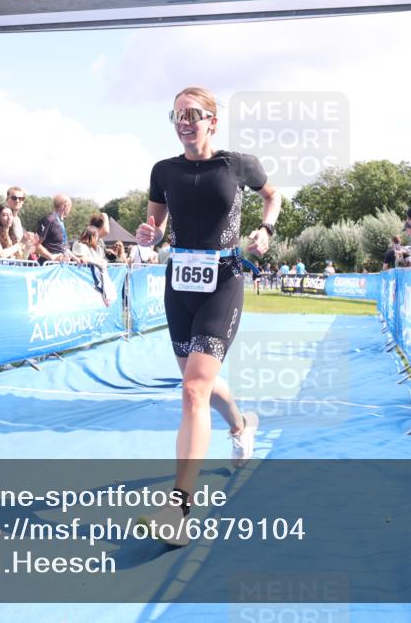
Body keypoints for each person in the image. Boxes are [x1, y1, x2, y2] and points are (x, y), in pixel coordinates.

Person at [136, 86, 281, 545]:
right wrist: (147, 235)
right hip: (179, 284)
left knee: (194, 388)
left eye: (192, 113)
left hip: (223, 279)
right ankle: (241, 425)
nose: (184, 121)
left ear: (212, 121)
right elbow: (154, 229)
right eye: (176, 114)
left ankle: (179, 507)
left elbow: (272, 197)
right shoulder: (163, 171)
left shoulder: (238, 164)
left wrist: (266, 229)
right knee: (199, 383)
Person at [35, 194, 75, 263]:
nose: (70, 210)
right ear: (65, 206)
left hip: (60, 266)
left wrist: (76, 259)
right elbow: (36, 244)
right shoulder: (49, 220)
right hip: (48, 266)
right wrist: (52, 257)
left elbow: (62, 246)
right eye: (70, 207)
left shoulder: (60, 222)